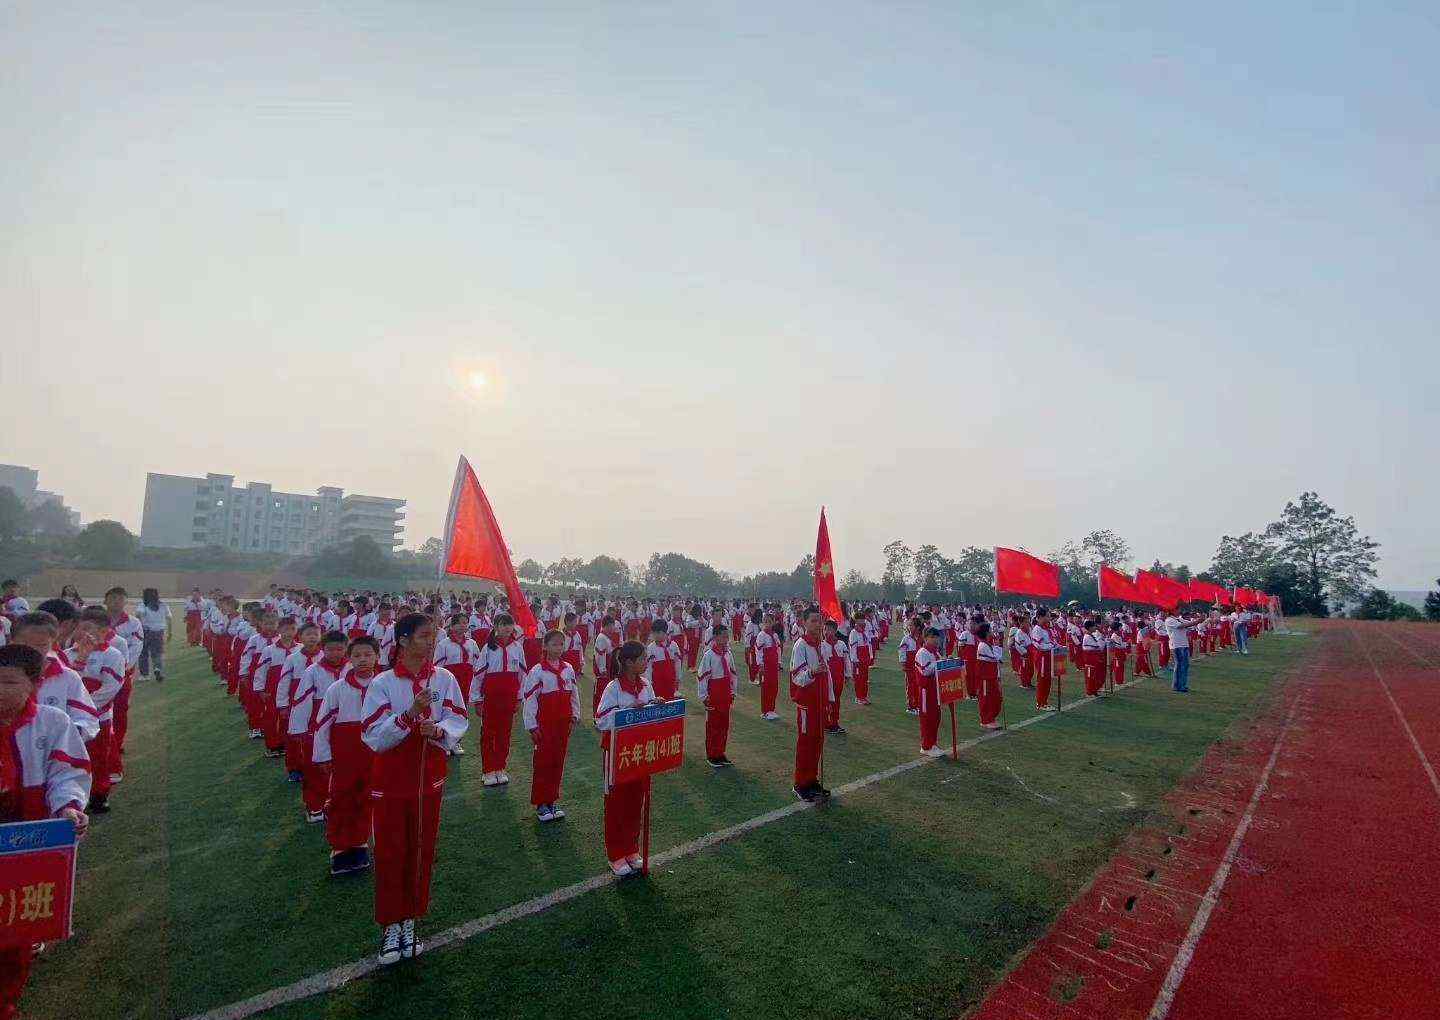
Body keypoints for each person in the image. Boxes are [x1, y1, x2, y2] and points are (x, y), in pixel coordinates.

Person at [361, 613, 468, 966]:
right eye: (423, 636)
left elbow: (458, 719)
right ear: (403, 641)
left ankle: (411, 918)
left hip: (428, 781)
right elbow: (373, 736)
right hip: (391, 783)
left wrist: (438, 731)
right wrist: (408, 716)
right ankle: (391, 923)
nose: (430, 641)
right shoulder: (383, 683)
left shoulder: (444, 678)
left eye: (432, 635)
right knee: (392, 853)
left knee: (421, 850)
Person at [0, 644, 91, 1020]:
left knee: (14, 934)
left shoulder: (52, 722)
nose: (0, 690)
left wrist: (69, 806)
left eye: (8, 682)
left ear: (34, 684)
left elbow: (67, 772)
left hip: (25, 845)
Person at [312, 635, 379, 875]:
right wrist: (322, 755)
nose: (363, 660)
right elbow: (322, 724)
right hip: (345, 755)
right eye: (357, 655)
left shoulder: (384, 683)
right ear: (349, 659)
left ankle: (360, 843)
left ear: (377, 656)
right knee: (341, 798)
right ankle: (340, 848)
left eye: (368, 654)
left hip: (375, 753)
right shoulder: (337, 689)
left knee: (367, 798)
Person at [595, 640, 657, 876]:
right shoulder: (613, 687)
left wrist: (654, 705)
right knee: (616, 803)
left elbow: (650, 710)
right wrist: (630, 711)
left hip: (639, 752)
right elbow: (601, 718)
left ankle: (631, 849)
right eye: (642, 659)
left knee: (635, 801)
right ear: (629, 663)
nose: (645, 662)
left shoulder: (646, 685)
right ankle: (615, 854)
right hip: (616, 753)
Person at [523, 629, 582, 823]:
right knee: (543, 763)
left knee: (558, 762)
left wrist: (574, 715)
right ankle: (541, 802)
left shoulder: (568, 669)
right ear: (545, 646)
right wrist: (532, 726)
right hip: (545, 725)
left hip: (563, 724)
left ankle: (552, 800)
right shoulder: (537, 671)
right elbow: (530, 699)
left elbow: (573, 693)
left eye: (561, 644)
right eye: (554, 644)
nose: (558, 648)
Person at [472, 612, 526, 788]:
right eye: (503, 624)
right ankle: (488, 770)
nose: (507, 628)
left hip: (509, 698)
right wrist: (477, 699)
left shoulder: (517, 647)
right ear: (495, 627)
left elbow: (522, 674)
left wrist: (519, 697)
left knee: (505, 733)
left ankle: (500, 767)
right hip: (491, 698)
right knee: (488, 734)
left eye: (509, 624)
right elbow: (478, 675)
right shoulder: (487, 648)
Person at [789, 609, 830, 802]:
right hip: (807, 701)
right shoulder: (801, 645)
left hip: (820, 700)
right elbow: (797, 677)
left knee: (817, 740)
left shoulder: (821, 644)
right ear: (804, 623)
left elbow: (827, 673)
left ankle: (812, 778)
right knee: (806, 742)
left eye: (819, 621)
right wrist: (812, 672)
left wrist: (829, 698)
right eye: (813, 621)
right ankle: (800, 783)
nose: (817, 624)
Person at [696, 625, 737, 767]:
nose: (726, 639)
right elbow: (702, 677)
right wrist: (704, 696)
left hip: (725, 694)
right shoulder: (709, 655)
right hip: (713, 695)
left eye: (727, 636)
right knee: (713, 726)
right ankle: (712, 755)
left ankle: (720, 752)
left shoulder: (728, 654)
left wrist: (733, 691)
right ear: (715, 637)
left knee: (724, 725)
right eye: (723, 636)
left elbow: (733, 674)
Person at [911, 627, 948, 757]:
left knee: (936, 717)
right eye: (933, 637)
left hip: (935, 689)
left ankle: (932, 743)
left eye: (937, 637)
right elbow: (925, 671)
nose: (936, 640)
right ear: (926, 638)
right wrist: (939, 663)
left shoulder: (935, 652)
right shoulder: (923, 652)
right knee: (927, 718)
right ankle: (926, 746)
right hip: (926, 690)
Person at [135, 588, 172, 682]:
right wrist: (170, 632)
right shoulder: (163, 605)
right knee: (157, 653)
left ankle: (145, 675)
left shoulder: (143, 605)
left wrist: (139, 626)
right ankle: (157, 668)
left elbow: (139, 615)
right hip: (159, 632)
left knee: (143, 654)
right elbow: (169, 618)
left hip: (145, 631)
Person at [974, 621, 1004, 729]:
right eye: (990, 631)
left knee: (995, 698)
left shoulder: (987, 644)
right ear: (986, 633)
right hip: (985, 678)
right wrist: (997, 646)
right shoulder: (982, 645)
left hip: (992, 676)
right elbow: (996, 658)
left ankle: (991, 718)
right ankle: (986, 720)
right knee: (986, 698)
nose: (992, 633)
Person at [753, 617, 781, 720]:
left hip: (774, 665)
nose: (768, 624)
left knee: (774, 686)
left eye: (770, 622)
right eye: (766, 622)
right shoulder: (761, 635)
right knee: (766, 687)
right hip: (766, 665)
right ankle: (765, 711)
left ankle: (771, 709)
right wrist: (760, 663)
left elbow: (778, 649)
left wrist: (779, 662)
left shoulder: (774, 635)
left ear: (773, 622)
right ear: (763, 623)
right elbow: (758, 650)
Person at [1164, 611, 1197, 693]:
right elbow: (1181, 626)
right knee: (1179, 665)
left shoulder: (1179, 619)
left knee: (1185, 665)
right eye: (1177, 609)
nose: (1179, 611)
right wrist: (1198, 621)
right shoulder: (1169, 620)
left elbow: (1191, 624)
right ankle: (1176, 685)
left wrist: (1204, 619)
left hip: (1184, 644)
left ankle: (1183, 685)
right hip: (1176, 645)